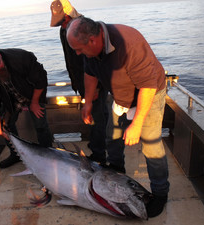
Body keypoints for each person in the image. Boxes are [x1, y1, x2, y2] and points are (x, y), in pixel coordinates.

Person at [66, 17, 169, 217]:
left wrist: (137, 123)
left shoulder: (129, 43)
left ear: (94, 40)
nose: (78, 53)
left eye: (79, 49)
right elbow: (90, 74)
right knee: (112, 137)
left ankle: (160, 193)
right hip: (121, 96)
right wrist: (87, 102)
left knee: (151, 146)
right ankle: (115, 170)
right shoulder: (89, 48)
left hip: (149, 93)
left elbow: (147, 87)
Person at [50, 0, 108, 165]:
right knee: (96, 116)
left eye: (63, 20)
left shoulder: (84, 28)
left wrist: (95, 88)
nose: (61, 25)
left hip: (94, 83)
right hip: (81, 83)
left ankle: (99, 156)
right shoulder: (64, 31)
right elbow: (72, 60)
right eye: (58, 22)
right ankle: (97, 146)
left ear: (69, 14)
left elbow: (92, 61)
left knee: (98, 116)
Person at [0, 46, 53, 168]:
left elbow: (41, 79)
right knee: (6, 126)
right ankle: (16, 154)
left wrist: (34, 102)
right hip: (9, 100)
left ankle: (48, 154)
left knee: (41, 125)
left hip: (32, 94)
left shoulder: (20, 58)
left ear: (0, 55)